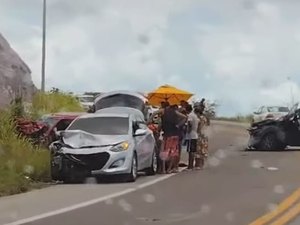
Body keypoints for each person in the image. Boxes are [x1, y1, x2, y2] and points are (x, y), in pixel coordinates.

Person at [185, 104, 200, 170]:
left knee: (190, 151)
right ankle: (191, 165)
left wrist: (188, 131)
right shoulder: (195, 115)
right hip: (195, 135)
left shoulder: (190, 115)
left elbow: (190, 124)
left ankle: (190, 166)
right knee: (192, 151)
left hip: (191, 136)